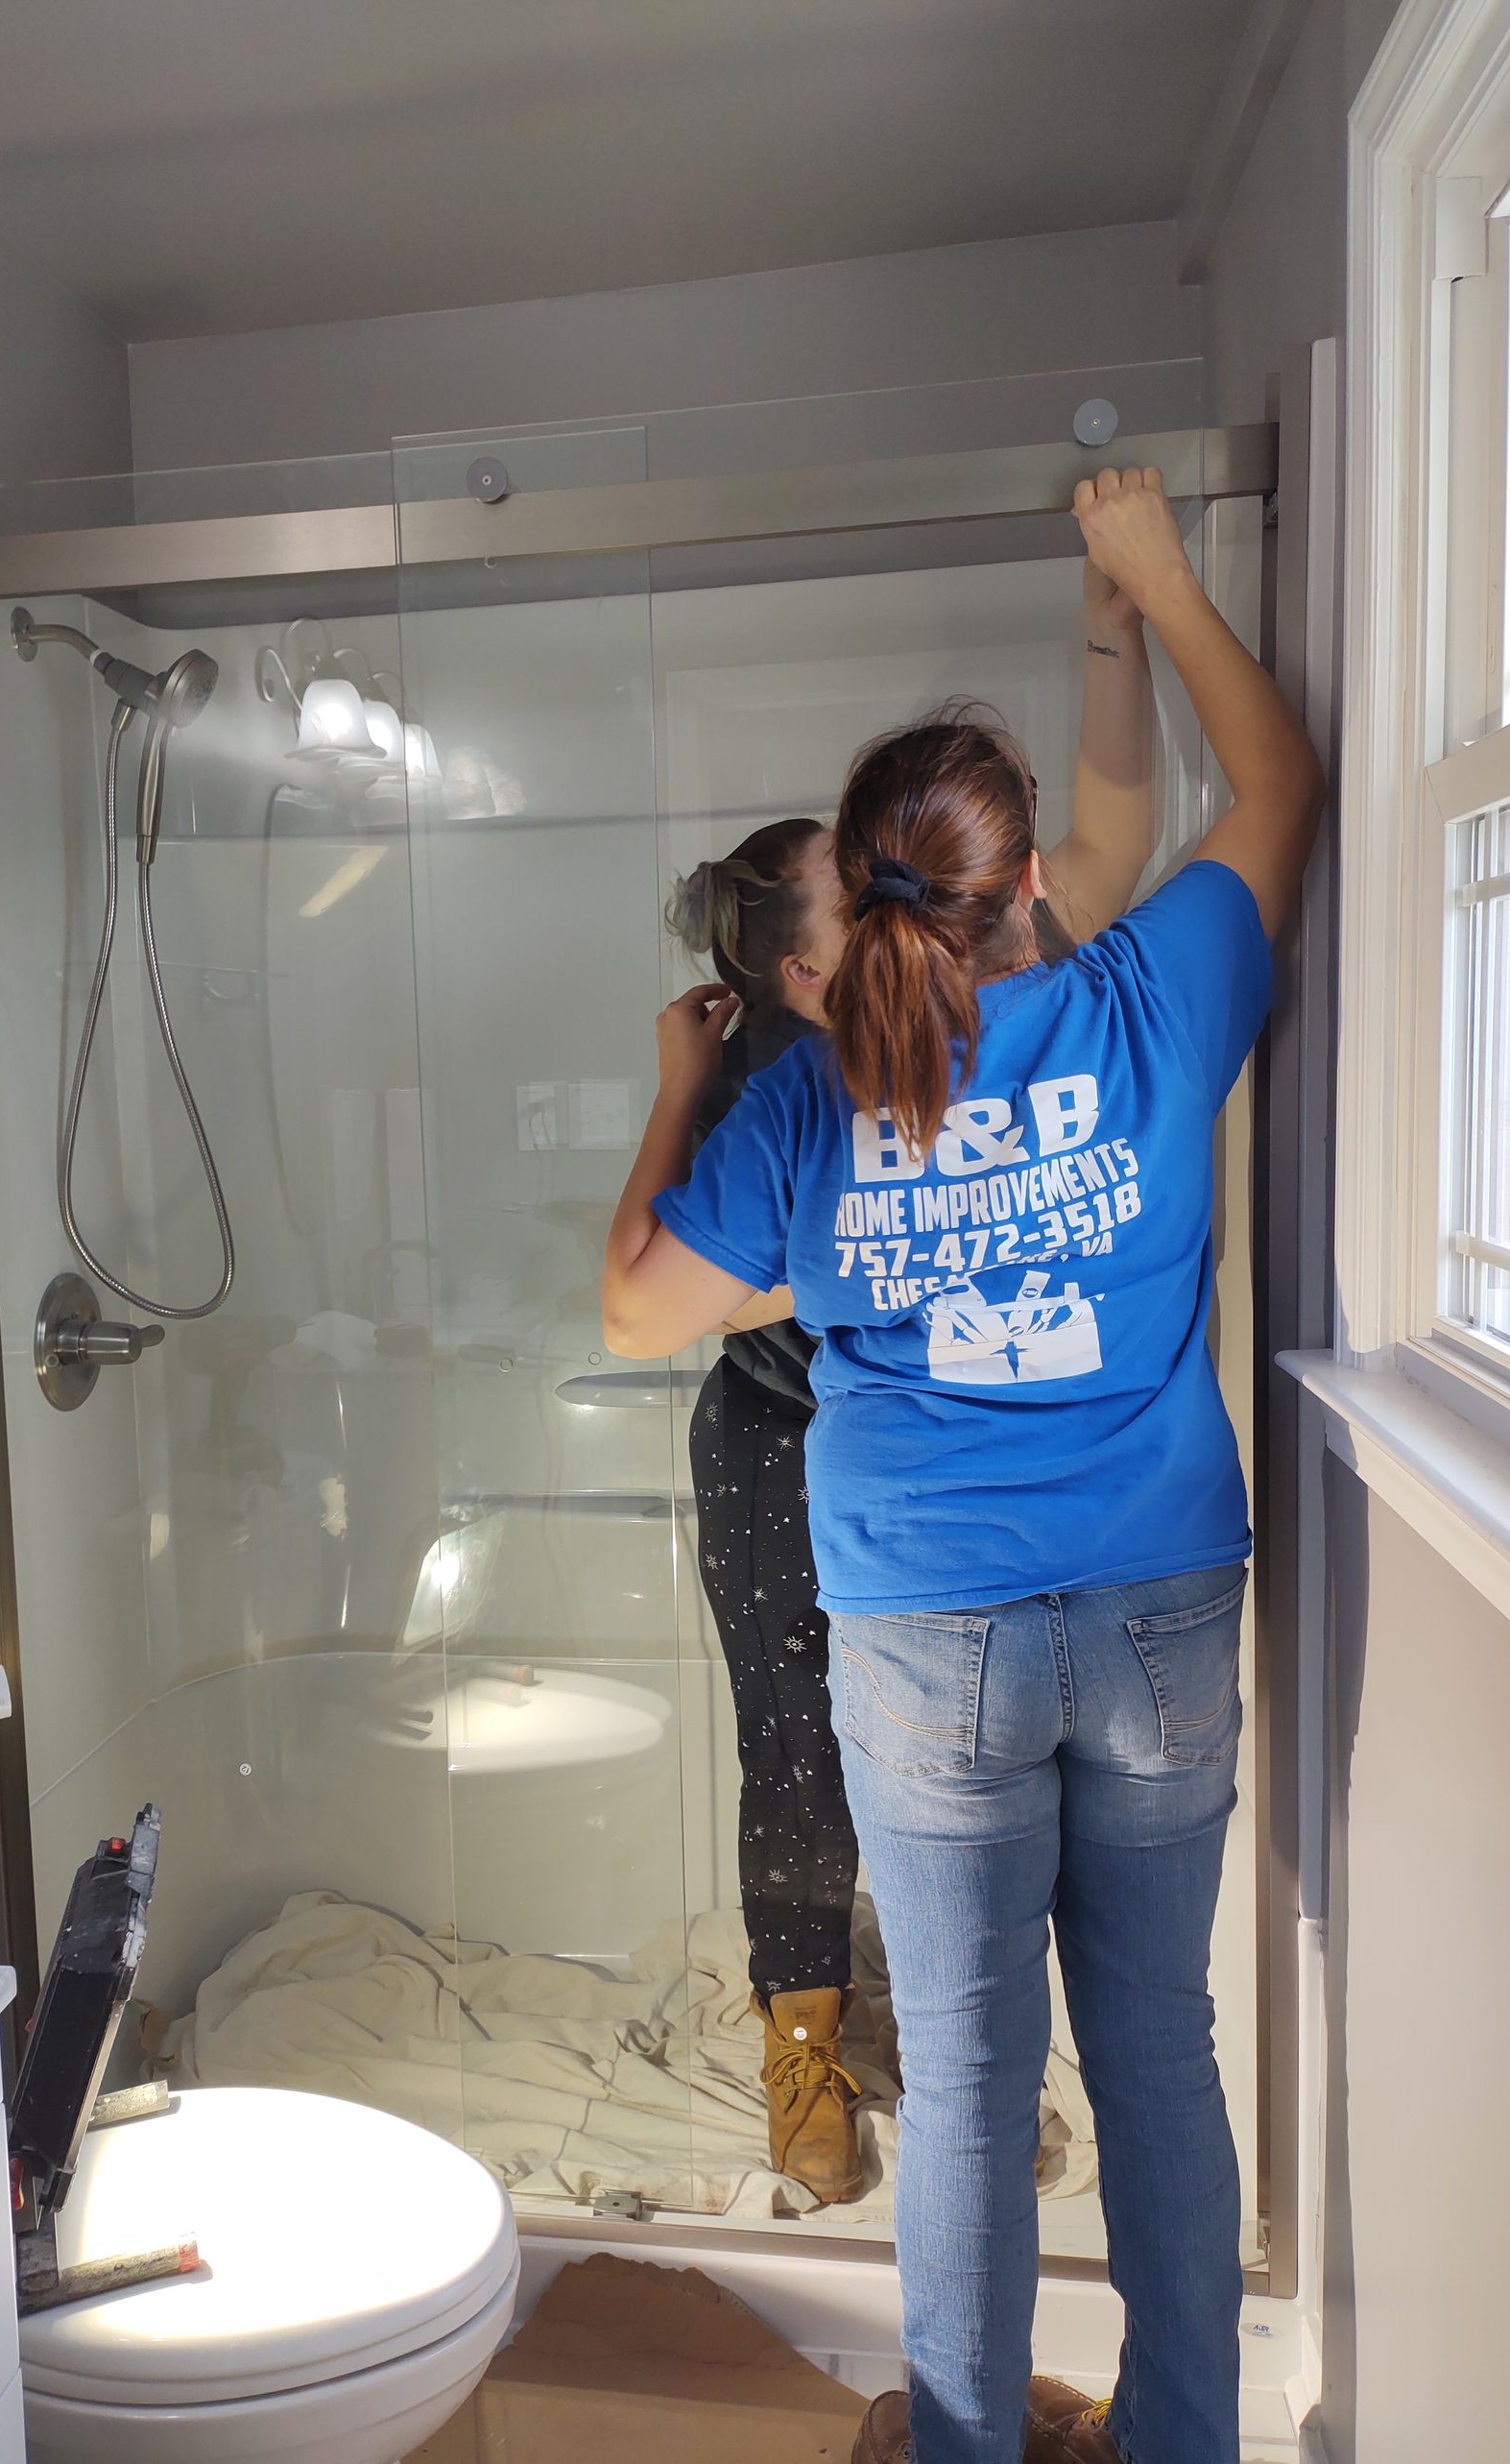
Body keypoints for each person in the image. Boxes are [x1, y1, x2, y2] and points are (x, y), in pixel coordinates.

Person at [604, 469, 1323, 2464]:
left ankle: (968, 2444)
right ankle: (1187, 2439)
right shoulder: (1151, 992)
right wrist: (1158, 593)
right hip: (1160, 1598)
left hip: (928, 1629)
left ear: (861, 898)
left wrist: (679, 1079)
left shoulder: (808, 1104)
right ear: (1029, 891)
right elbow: (1274, 783)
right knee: (1160, 2048)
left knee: (983, 2079)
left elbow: (636, 1307)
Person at [660, 556, 1161, 2207]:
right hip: (764, 1445)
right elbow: (641, 1284)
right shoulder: (780, 1094)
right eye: (848, 904)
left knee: (937, 1758)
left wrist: (1117, 624)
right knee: (795, 1751)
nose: (888, 913)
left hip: (912, 1469)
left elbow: (1090, 859)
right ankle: (803, 2040)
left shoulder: (937, 1020)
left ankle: (945, 2047)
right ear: (807, 977)